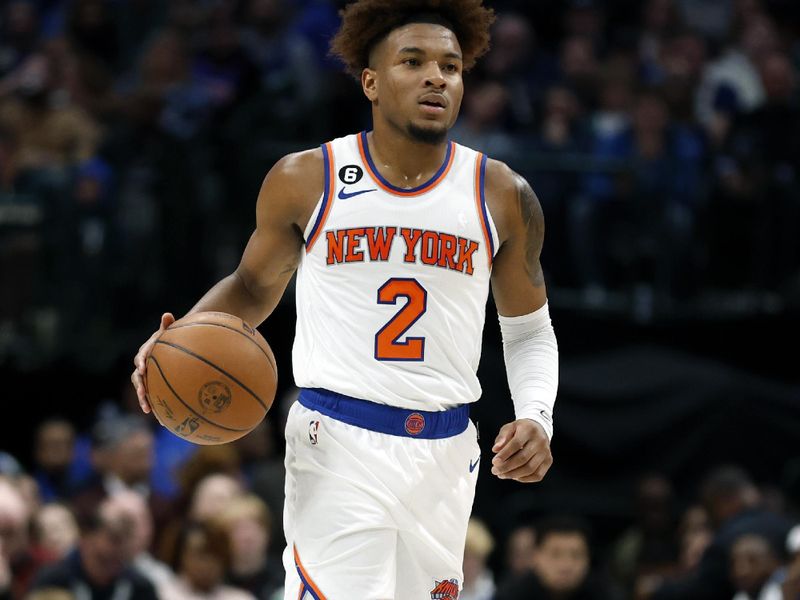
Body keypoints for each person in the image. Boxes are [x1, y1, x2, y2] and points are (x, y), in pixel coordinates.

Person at [131, 1, 559, 597]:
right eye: (413, 62)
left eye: (451, 66)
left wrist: (537, 414)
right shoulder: (309, 177)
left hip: (447, 451)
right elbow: (254, 286)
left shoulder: (503, 193)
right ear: (372, 82)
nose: (437, 77)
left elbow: (529, 329)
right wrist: (184, 334)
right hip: (338, 444)